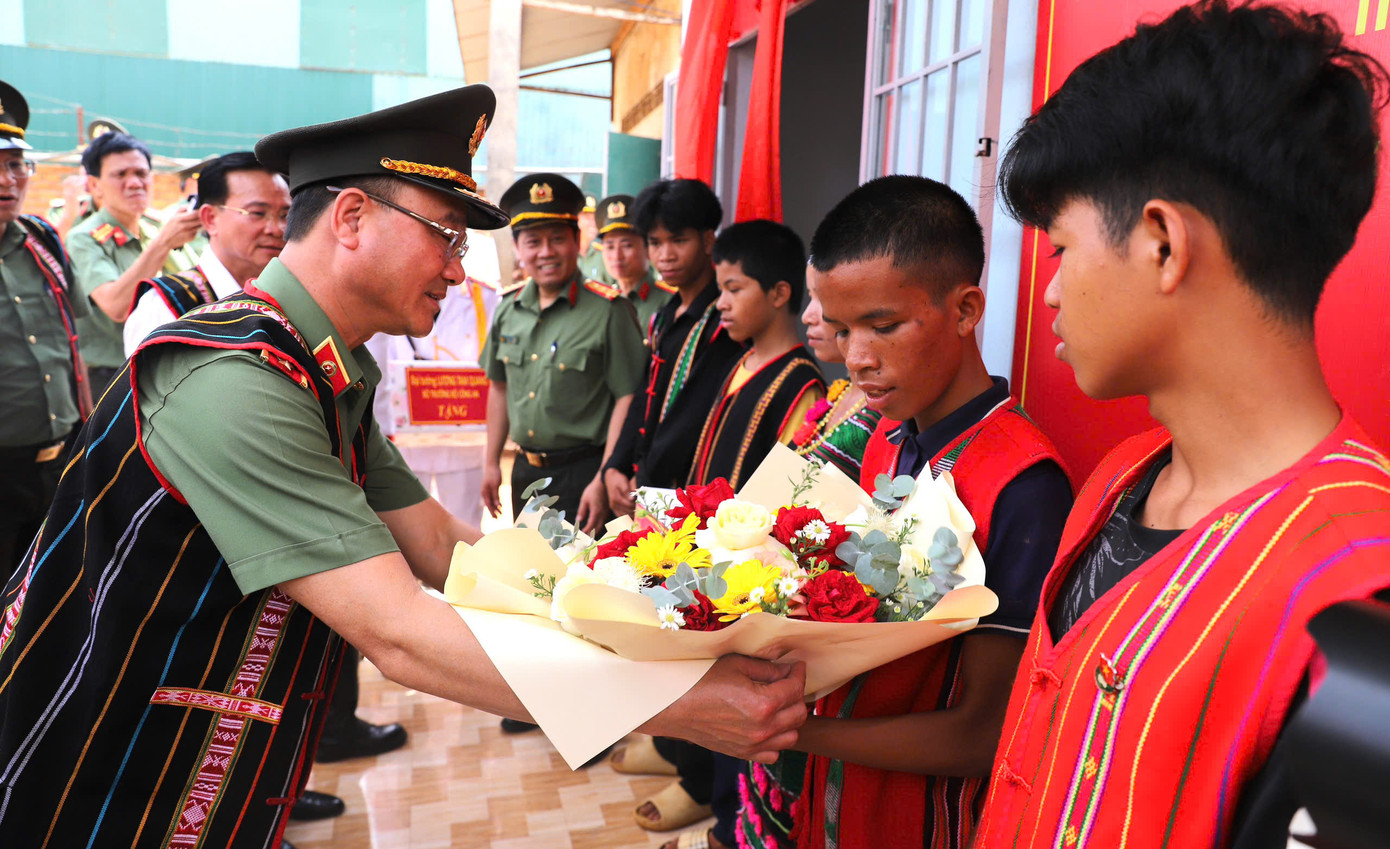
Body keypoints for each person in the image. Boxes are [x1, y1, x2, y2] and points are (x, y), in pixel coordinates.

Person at [0, 84, 808, 849]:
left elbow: (439, 542)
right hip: (95, 769)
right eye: (447, 236)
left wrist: (634, 616)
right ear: (352, 217)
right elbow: (400, 631)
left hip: (195, 762)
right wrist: (669, 702)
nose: (460, 269)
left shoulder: (323, 367)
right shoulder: (239, 379)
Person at [972, 3, 1390, 847]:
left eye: (1059, 247)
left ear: (1163, 242)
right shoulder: (1121, 477)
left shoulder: (1362, 594)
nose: (1049, 292)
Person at [790, 176, 1073, 849]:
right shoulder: (885, 441)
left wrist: (791, 732)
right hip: (836, 796)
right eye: (841, 329)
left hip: (924, 818)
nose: (857, 358)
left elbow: (984, 731)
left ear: (967, 307)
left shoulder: (1023, 484)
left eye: (884, 326)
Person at [732, 268, 883, 849]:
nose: (814, 317)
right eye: (815, 300)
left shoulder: (886, 415)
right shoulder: (841, 396)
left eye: (830, 305)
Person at [479, 173, 646, 535]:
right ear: (518, 249)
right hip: (525, 472)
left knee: (586, 580)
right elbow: (500, 388)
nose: (546, 252)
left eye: (557, 239)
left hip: (584, 473)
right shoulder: (508, 308)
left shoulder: (609, 310)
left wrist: (603, 477)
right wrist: (491, 463)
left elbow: (627, 397)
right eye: (533, 241)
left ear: (577, 241)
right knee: (531, 579)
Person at [602, 178, 744, 513]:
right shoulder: (667, 313)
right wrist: (614, 466)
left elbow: (691, 416)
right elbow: (644, 395)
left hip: (688, 490)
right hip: (651, 485)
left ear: (708, 240)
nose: (665, 255)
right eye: (655, 242)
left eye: (679, 240)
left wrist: (645, 480)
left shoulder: (722, 320)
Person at [0, 80, 92, 571]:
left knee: (46, 593)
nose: (7, 181)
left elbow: (71, 330)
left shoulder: (43, 241)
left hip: (60, 459)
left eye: (15, 165)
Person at [687, 219, 825, 489]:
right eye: (721, 290)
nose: (722, 304)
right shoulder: (738, 362)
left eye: (734, 289)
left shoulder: (800, 384)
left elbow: (787, 490)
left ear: (779, 293)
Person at [66, 130, 202, 390]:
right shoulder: (84, 237)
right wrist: (162, 244)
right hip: (112, 375)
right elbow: (116, 305)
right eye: (120, 175)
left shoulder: (154, 226)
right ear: (95, 186)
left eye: (141, 173)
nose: (134, 183)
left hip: (166, 364)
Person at [122, 151, 291, 355]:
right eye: (257, 213)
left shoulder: (289, 298)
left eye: (285, 215)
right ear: (210, 218)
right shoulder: (168, 306)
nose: (276, 228)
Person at [595, 192, 674, 332]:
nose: (617, 256)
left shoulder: (669, 301)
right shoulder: (601, 302)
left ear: (647, 248)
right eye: (610, 247)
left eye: (627, 246)